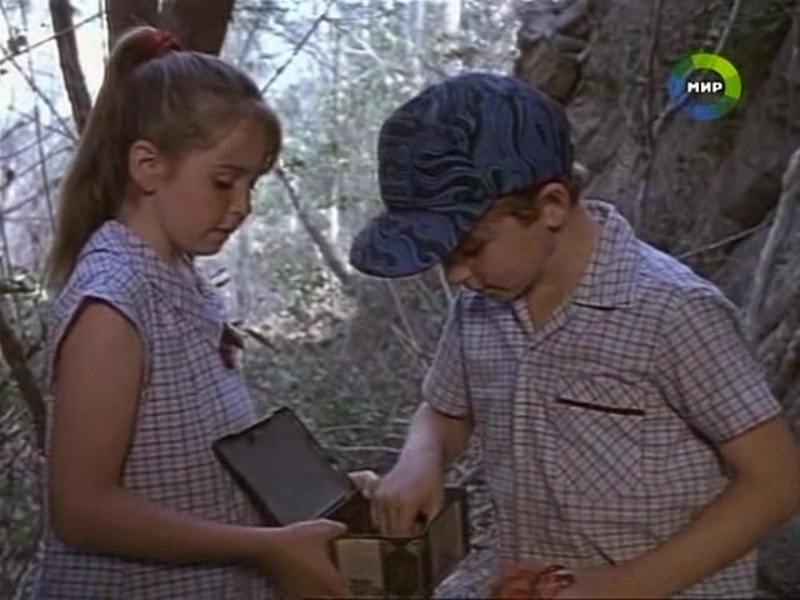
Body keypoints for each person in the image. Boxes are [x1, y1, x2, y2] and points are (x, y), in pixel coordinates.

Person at [348, 72, 800, 599]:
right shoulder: (480, 308)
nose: (456, 275)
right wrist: (420, 459)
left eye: (470, 248)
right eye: (443, 258)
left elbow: (776, 482)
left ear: (552, 206)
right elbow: (445, 410)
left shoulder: (672, 311)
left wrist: (623, 586)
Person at [34, 26, 359, 600]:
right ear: (148, 166)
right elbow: (81, 511)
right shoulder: (112, 305)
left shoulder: (180, 282)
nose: (242, 206)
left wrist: (323, 499)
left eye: (252, 184)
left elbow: (197, 467)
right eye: (224, 181)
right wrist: (265, 548)